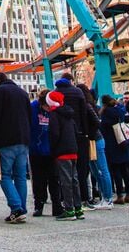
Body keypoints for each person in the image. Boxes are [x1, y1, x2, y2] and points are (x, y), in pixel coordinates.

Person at [0, 71, 31, 223]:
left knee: (4, 175)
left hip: (6, 140)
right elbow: (29, 116)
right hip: (23, 140)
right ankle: (21, 209)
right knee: (20, 177)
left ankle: (16, 208)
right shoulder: (23, 93)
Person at [54, 74, 93, 208]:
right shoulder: (78, 92)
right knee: (81, 169)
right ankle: (83, 198)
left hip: (63, 136)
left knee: (63, 172)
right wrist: (85, 132)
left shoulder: (56, 93)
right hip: (80, 134)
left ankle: (66, 200)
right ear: (70, 81)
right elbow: (84, 113)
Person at [46, 90, 84, 221]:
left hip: (62, 152)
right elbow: (75, 131)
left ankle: (69, 210)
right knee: (74, 180)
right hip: (73, 150)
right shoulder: (69, 114)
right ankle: (78, 208)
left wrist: (53, 149)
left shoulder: (54, 115)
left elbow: (54, 134)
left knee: (65, 181)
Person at [29, 89, 62, 218]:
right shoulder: (33, 109)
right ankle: (39, 205)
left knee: (54, 179)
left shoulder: (54, 109)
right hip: (36, 149)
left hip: (51, 149)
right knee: (38, 180)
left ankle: (56, 205)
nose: (49, 109)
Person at [78, 83, 112, 210]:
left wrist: (88, 133)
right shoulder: (90, 104)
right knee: (97, 170)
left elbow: (96, 122)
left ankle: (108, 198)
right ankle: (105, 197)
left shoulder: (86, 106)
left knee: (101, 170)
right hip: (95, 139)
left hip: (94, 140)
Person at [100, 95, 129, 205]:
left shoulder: (104, 114)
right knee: (125, 170)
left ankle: (120, 195)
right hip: (123, 141)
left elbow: (102, 128)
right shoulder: (120, 111)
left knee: (116, 171)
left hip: (111, 143)